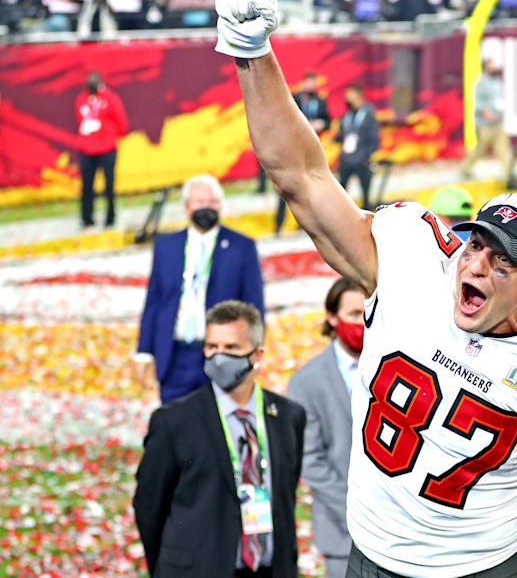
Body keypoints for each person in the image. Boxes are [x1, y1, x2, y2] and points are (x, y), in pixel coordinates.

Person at [213, 0, 517, 578]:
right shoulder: (413, 258)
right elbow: (303, 179)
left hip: (482, 564)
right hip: (371, 552)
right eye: (477, 245)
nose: (476, 265)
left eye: (503, 262)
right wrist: (251, 52)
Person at [134, 300, 306, 578]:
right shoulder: (174, 422)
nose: (219, 357)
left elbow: (285, 497)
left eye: (231, 348)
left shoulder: (288, 416)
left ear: (257, 354)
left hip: (269, 569)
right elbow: (149, 505)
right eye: (212, 347)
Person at [136, 174, 265, 402]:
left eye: (213, 202)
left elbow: (253, 304)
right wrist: (144, 352)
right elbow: (154, 300)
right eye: (200, 202)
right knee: (175, 427)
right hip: (174, 355)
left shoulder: (241, 246)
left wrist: (254, 350)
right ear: (187, 207)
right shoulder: (166, 246)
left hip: (223, 355)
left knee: (219, 428)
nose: (207, 207)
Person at [288, 279, 366, 578]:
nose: (361, 322)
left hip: (402, 528)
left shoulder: (395, 366)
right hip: (342, 531)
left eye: (366, 313)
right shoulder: (306, 382)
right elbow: (310, 460)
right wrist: (361, 511)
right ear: (332, 317)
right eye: (353, 314)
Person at [276, 71, 331, 234]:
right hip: (292, 149)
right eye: (309, 82)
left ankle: (304, 226)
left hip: (311, 150)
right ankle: (279, 225)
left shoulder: (319, 101)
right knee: (285, 188)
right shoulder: (294, 98)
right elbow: (285, 119)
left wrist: (322, 124)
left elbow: (328, 120)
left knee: (308, 189)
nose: (311, 86)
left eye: (314, 83)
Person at [75, 70, 128, 230]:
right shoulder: (81, 99)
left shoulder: (111, 98)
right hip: (86, 149)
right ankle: (87, 219)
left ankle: (110, 218)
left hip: (107, 148)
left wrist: (108, 135)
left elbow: (122, 122)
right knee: (87, 187)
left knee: (109, 186)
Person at [460, 58, 512, 181]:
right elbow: (478, 102)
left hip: (498, 123)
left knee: (503, 148)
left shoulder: (497, 81)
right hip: (485, 124)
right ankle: (465, 169)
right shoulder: (482, 82)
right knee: (481, 149)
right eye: (491, 65)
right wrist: (486, 113)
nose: (494, 67)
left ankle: (508, 173)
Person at [335, 85, 379, 210]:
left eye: (350, 94)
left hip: (362, 160)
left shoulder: (368, 115)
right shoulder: (347, 114)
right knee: (341, 192)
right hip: (347, 159)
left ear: (358, 95)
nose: (346, 97)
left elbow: (374, 139)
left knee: (365, 194)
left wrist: (365, 156)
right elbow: (342, 134)